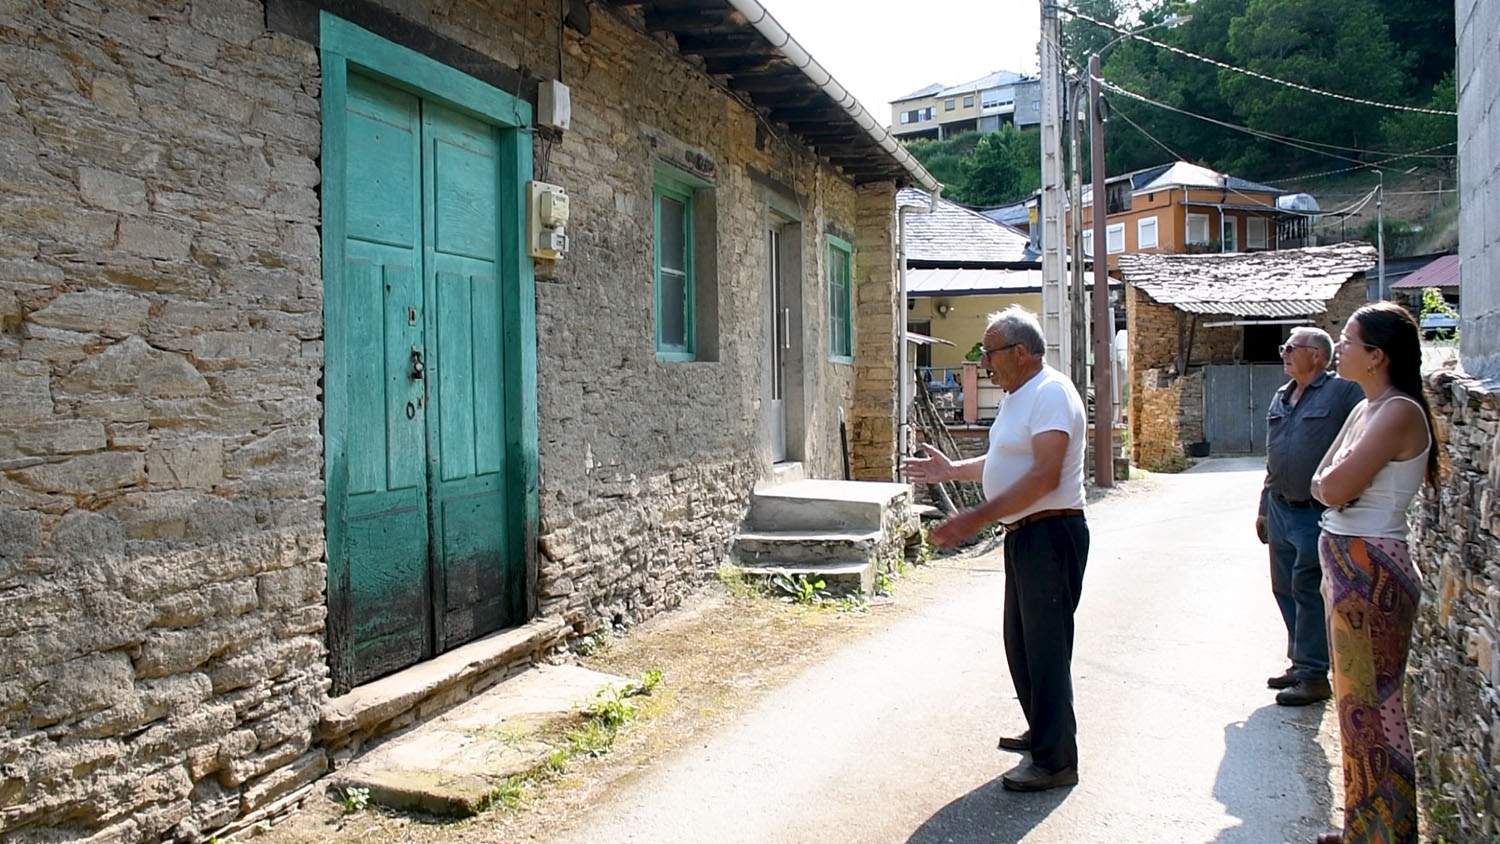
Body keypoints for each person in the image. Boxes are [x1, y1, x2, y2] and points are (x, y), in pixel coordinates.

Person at [903, 306, 1087, 792]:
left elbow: (1044, 476)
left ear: (1021, 352)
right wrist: (952, 471)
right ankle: (1043, 730)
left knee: (1046, 650)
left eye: (990, 353)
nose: (984, 363)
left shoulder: (1050, 393)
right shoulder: (1019, 397)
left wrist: (974, 518)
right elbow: (1003, 459)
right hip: (1026, 534)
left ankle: (1056, 761)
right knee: (1021, 644)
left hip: (1051, 534)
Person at [1309, 302, 1436, 844]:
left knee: (1377, 709)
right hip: (1348, 561)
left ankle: (1389, 834)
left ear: (1376, 355)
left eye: (1347, 339)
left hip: (1372, 566)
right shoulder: (1367, 408)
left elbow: (1333, 486)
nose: (1339, 346)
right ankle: (1362, 827)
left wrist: (1334, 487)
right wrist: (1333, 486)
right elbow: (1322, 479)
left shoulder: (1398, 412)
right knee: (1353, 707)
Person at [1256, 328, 1363, 707]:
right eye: (1283, 347)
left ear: (1317, 355)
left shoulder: (1343, 393)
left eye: (1291, 348)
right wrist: (1264, 506)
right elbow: (1273, 455)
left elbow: (1361, 438)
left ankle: (1315, 675)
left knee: (1307, 588)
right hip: (1280, 506)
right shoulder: (1281, 396)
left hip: (1315, 511)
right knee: (1284, 587)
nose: (1284, 353)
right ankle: (1300, 662)